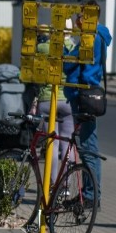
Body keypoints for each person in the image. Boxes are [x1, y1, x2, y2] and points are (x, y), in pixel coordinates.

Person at [64, 0, 112, 204]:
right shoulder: (101, 34)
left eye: (80, 16)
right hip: (88, 94)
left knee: (88, 148)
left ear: (87, 17)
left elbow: (71, 65)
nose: (77, 19)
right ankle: (88, 194)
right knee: (86, 147)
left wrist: (65, 48)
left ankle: (91, 196)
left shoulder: (89, 38)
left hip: (82, 95)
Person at [35, 21, 75, 185]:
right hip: (67, 100)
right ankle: (65, 186)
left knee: (52, 143)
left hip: (46, 100)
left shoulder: (42, 48)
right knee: (67, 142)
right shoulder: (74, 49)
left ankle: (50, 184)